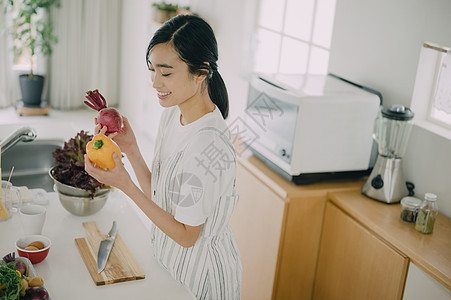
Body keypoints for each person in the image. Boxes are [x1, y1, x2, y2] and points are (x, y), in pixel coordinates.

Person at [84, 14, 242, 299]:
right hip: (171, 265)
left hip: (202, 279)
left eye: (166, 73)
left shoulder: (209, 145)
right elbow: (162, 197)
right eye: (152, 70)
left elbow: (186, 235)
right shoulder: (172, 115)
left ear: (201, 72)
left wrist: (126, 186)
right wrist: (131, 150)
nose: (156, 83)